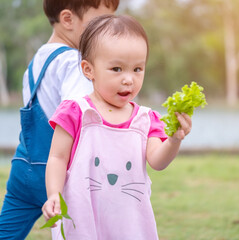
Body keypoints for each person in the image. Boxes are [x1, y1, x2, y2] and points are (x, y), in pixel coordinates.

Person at [41, 14, 192, 239]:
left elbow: (157, 161)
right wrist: (53, 193)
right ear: (88, 69)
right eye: (117, 69)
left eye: (137, 69)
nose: (129, 79)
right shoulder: (75, 111)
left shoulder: (145, 119)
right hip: (84, 218)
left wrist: (174, 140)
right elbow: (57, 158)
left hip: (130, 224)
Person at [0, 1, 119, 239]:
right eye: (101, 23)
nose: (107, 31)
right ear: (67, 19)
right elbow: (81, 116)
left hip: (24, 168)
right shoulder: (74, 63)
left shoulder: (37, 60)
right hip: (59, 174)